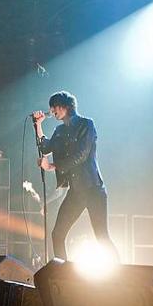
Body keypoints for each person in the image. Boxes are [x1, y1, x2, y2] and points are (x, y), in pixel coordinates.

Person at [33, 90, 118, 262]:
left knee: (101, 235)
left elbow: (82, 155)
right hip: (76, 192)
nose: (52, 111)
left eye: (54, 107)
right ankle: (62, 275)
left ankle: (120, 273)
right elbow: (45, 148)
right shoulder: (59, 130)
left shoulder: (86, 124)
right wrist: (38, 125)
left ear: (65, 106)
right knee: (57, 234)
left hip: (94, 189)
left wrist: (51, 166)